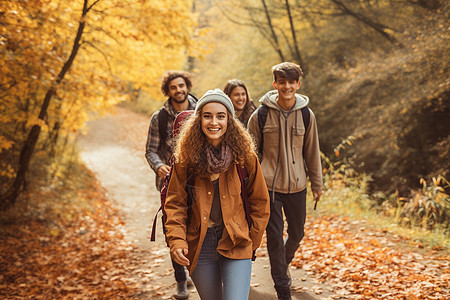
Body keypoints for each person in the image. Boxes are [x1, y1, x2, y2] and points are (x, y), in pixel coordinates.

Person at [164, 89, 270, 300]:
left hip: (237, 242)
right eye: (207, 116)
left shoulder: (245, 157)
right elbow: (175, 204)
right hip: (199, 243)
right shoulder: (185, 159)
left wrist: (252, 240)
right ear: (199, 120)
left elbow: (260, 202)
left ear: (229, 120)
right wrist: (177, 241)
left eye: (220, 116)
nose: (214, 122)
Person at [247, 62, 323, 300]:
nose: (287, 86)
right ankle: (283, 289)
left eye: (292, 82)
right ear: (275, 84)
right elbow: (249, 154)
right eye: (282, 82)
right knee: (275, 239)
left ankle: (282, 264)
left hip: (298, 186)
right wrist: (249, 186)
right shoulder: (260, 115)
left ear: (298, 84)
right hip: (268, 188)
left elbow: (312, 152)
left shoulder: (306, 115)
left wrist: (317, 185)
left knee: (297, 234)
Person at [145, 70, 197, 299]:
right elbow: (151, 150)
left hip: (199, 181)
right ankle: (180, 281)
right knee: (173, 231)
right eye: (174, 87)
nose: (179, 90)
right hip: (171, 184)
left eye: (182, 85)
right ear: (168, 91)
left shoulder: (201, 110)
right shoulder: (160, 117)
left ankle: (196, 269)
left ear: (187, 86)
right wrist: (158, 166)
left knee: (198, 228)